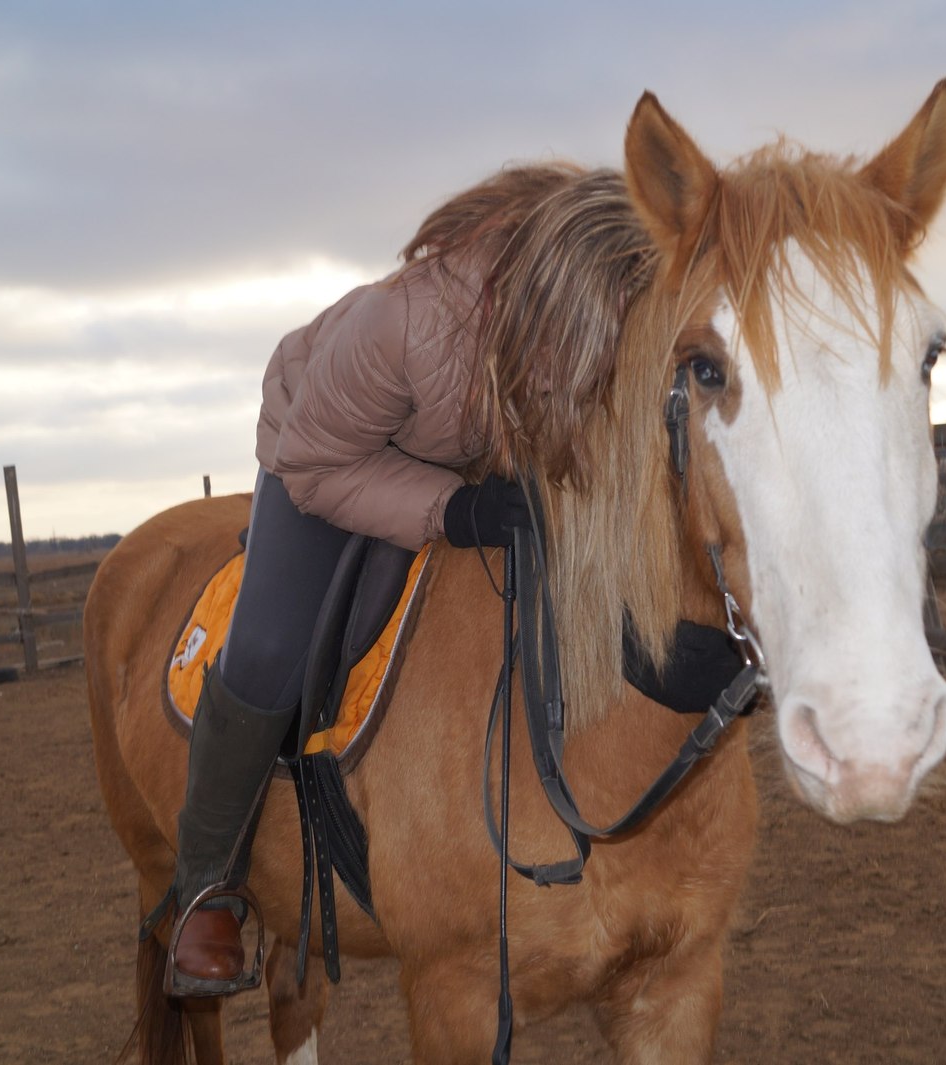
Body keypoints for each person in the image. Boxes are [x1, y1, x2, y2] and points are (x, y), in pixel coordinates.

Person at [166, 164, 742, 996]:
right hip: (329, 451)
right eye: (576, 357)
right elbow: (318, 470)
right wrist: (457, 512)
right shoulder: (400, 327)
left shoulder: (611, 319)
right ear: (533, 309)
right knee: (266, 644)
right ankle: (205, 884)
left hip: (474, 440)